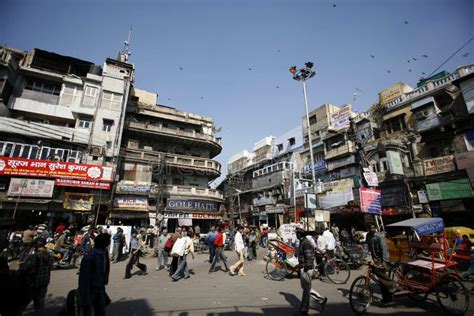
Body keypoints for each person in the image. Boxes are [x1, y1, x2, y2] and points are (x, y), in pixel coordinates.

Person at [296, 229, 327, 316]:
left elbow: (309, 256)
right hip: (304, 268)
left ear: (299, 234)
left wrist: (306, 268)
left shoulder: (305, 243)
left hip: (306, 269)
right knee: (306, 288)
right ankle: (321, 300)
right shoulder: (303, 241)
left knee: (306, 289)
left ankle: (303, 310)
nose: (295, 235)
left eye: (296, 233)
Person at [79, 233, 111, 316]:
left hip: (100, 288)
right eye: (108, 241)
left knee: (101, 312)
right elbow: (84, 278)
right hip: (90, 290)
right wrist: (84, 298)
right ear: (104, 243)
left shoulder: (104, 253)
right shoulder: (91, 257)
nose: (109, 242)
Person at [19, 237, 54, 312]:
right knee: (40, 302)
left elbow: (26, 268)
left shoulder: (36, 255)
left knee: (25, 302)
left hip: (34, 282)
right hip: (45, 281)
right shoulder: (49, 255)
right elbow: (51, 266)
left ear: (36, 245)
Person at [366, 224, 397, 304]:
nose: (371, 229)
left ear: (375, 228)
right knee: (381, 280)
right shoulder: (368, 236)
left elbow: (384, 249)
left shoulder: (379, 236)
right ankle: (386, 299)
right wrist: (367, 257)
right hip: (374, 259)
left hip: (381, 259)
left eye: (373, 227)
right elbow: (367, 247)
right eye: (370, 228)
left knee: (381, 277)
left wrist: (384, 261)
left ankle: (392, 285)